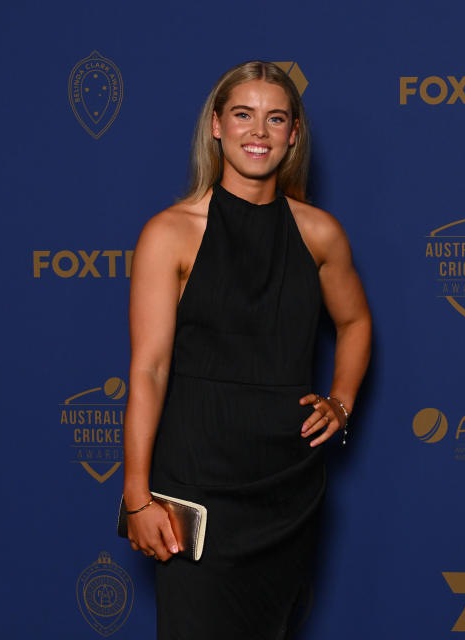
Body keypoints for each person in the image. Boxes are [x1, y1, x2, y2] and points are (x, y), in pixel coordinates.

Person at [122, 60, 371, 639]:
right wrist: (137, 494)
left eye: (275, 118)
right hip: (196, 482)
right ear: (216, 125)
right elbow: (149, 370)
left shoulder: (320, 233)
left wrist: (342, 400)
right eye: (243, 114)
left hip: (287, 486)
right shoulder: (170, 232)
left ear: (293, 135)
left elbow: (356, 321)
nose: (258, 132)